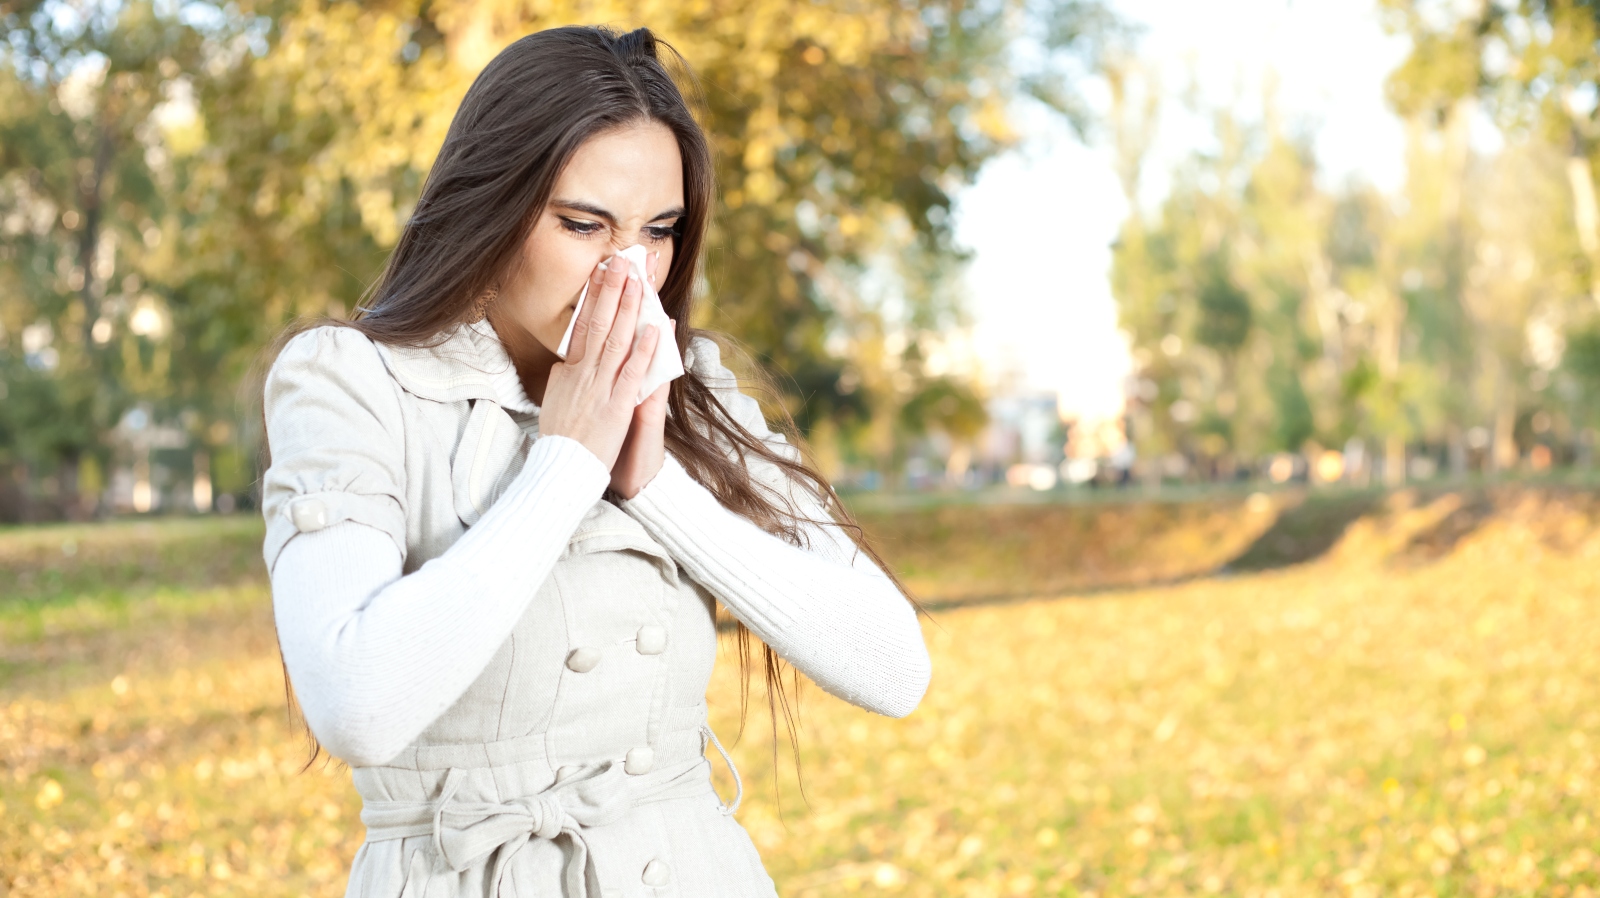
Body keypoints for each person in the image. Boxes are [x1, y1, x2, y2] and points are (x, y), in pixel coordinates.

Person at [260, 24, 931, 898]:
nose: (629, 274)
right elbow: (355, 705)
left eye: (658, 232)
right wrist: (566, 462)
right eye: (583, 225)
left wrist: (653, 486)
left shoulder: (694, 390)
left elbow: (895, 668)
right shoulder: (352, 380)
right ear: (489, 210)